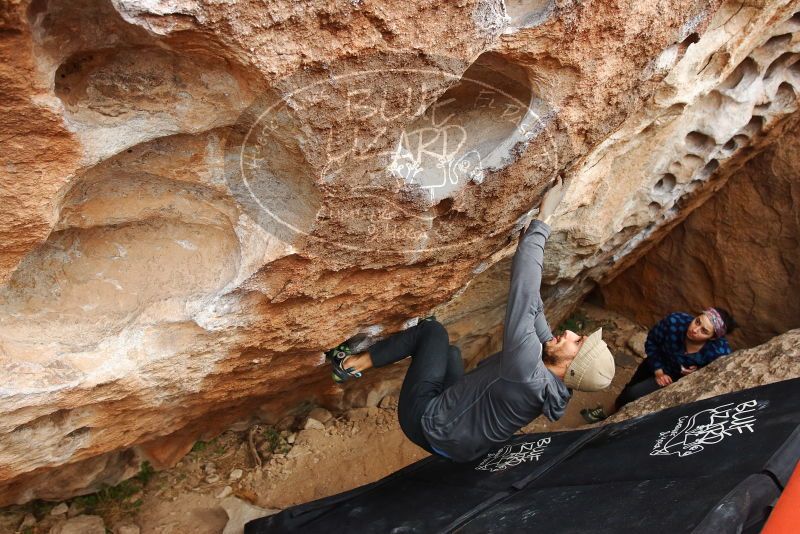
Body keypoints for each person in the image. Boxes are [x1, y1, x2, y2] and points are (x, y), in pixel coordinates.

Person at [327, 178, 616, 462]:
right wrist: (526, 245)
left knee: (432, 333)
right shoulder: (554, 387)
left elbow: (525, 296)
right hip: (457, 447)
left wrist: (544, 219)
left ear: (571, 367)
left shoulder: (527, 370)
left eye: (577, 342)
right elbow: (535, 311)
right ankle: (432, 396)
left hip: (424, 424)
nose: (567, 333)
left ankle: (349, 364)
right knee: (451, 355)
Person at [582, 308, 737, 423]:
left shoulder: (719, 352)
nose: (695, 330)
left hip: (673, 380)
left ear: (712, 338)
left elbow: (712, 376)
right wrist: (658, 370)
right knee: (629, 390)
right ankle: (609, 415)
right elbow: (652, 342)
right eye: (697, 321)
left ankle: (615, 420)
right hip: (656, 362)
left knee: (633, 396)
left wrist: (695, 375)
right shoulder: (675, 321)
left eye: (704, 331)